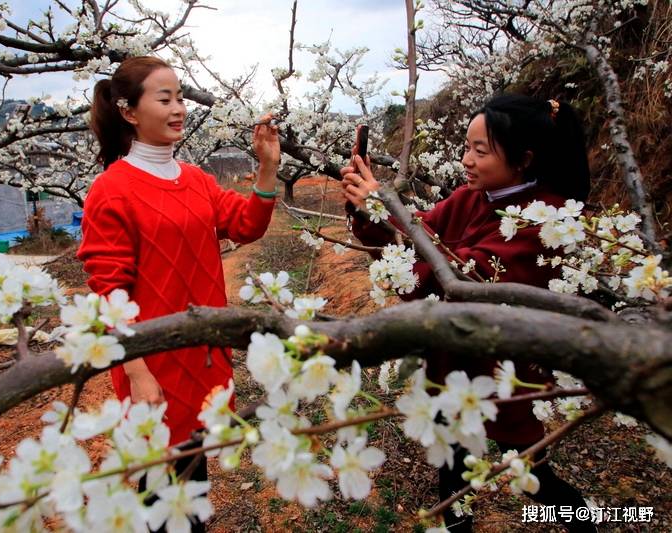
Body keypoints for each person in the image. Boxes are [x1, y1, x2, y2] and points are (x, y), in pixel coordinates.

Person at [340, 94, 596, 532]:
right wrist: (371, 211)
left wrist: (385, 209)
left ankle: (587, 520)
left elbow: (465, 279)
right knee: (454, 470)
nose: (466, 160)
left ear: (524, 159)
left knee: (533, 473)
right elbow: (419, 228)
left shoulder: (546, 217)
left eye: (481, 150)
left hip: (510, 373)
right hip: (454, 360)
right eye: (465, 147)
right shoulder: (470, 197)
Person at [77, 55, 280, 518]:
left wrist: (267, 168)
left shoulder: (195, 180)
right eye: (164, 98)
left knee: (191, 473)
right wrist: (137, 372)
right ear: (129, 112)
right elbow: (109, 293)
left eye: (180, 97)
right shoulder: (112, 190)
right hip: (150, 361)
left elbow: (246, 225)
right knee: (160, 487)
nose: (179, 108)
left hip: (201, 352)